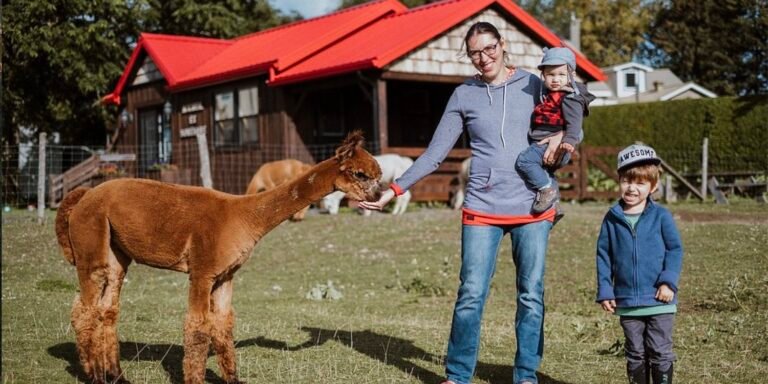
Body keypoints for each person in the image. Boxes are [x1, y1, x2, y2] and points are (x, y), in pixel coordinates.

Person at [360, 21, 565, 384]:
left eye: (489, 48)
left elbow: (567, 117)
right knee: (470, 294)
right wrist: (394, 189)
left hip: (532, 207)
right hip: (482, 208)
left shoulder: (533, 85)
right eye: (474, 53)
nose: (483, 58)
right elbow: (434, 154)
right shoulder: (463, 95)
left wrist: (562, 144)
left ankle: (526, 376)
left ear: (502, 44)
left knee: (531, 295)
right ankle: (457, 375)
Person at [595, 144, 683, 384]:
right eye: (626, 181)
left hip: (659, 301)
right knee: (635, 353)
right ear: (619, 181)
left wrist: (668, 282)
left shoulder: (661, 216)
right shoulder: (612, 218)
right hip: (627, 302)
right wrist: (605, 289)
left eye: (640, 183)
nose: (632, 188)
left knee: (660, 351)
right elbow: (603, 255)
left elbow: (675, 249)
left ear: (653, 186)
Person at [515, 47, 595, 215]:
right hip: (546, 141)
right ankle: (554, 208)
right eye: (551, 75)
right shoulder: (549, 94)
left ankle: (546, 190)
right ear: (543, 75)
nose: (556, 79)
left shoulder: (570, 97)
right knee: (547, 173)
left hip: (555, 144)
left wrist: (569, 140)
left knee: (524, 161)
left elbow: (575, 122)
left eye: (561, 75)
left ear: (571, 75)